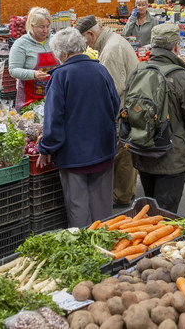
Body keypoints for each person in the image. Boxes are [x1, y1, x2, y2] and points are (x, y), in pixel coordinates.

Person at [36, 28, 120, 228]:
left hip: (74, 157)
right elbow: (115, 104)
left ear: (62, 54)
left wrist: (46, 148)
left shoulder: (60, 76)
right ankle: (106, 249)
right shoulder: (101, 70)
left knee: (78, 208)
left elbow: (53, 120)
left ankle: (85, 252)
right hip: (104, 151)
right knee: (103, 209)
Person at [128, 24, 185, 212]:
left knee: (148, 209)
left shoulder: (137, 71)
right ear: (176, 47)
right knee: (166, 213)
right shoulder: (182, 78)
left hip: (142, 149)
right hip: (171, 156)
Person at [75, 15, 139, 207]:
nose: (86, 47)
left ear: (90, 34)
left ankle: (121, 197)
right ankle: (126, 192)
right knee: (125, 153)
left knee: (122, 154)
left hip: (123, 111)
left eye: (84, 41)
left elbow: (113, 89)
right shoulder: (113, 42)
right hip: (128, 108)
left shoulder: (111, 51)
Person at [8, 7, 57, 110]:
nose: (46, 30)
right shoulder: (21, 44)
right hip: (30, 100)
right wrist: (33, 74)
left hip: (55, 97)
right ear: (32, 26)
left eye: (48, 26)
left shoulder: (55, 41)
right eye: (41, 27)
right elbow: (13, 70)